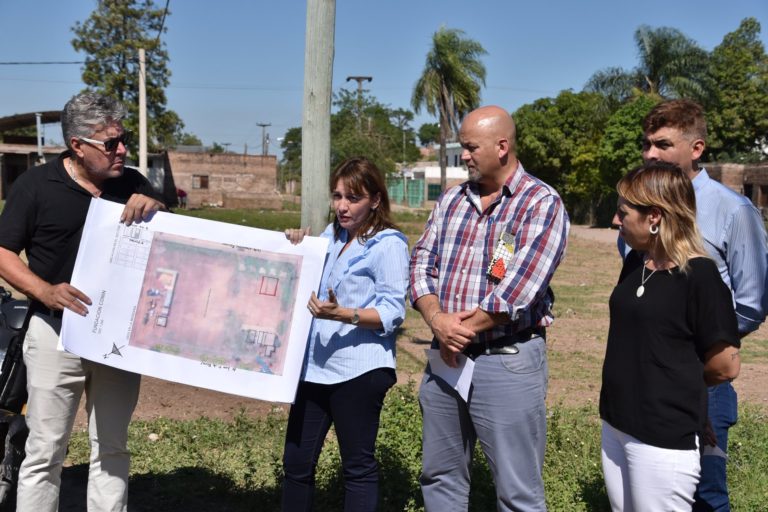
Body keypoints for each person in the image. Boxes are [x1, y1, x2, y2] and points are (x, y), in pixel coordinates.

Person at [0, 92, 165, 512]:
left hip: (116, 339)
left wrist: (156, 206)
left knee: (112, 448)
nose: (122, 150)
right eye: (110, 143)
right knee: (44, 450)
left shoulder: (132, 183)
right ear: (77, 145)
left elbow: (166, 245)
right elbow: (2, 252)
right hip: (54, 332)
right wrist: (44, 290)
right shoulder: (35, 185)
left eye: (122, 139)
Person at [410, 105, 569, 511]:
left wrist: (456, 329)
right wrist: (437, 320)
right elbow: (420, 264)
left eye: (469, 147)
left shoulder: (539, 203)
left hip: (506, 358)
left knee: (517, 491)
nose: (463, 155)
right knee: (440, 476)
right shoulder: (452, 201)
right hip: (446, 358)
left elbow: (519, 290)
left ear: (502, 146)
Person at [639, 99, 768, 511]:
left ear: (696, 149)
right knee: (651, 486)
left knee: (705, 495)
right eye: (646, 145)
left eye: (661, 145)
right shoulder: (642, 208)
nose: (649, 155)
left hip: (704, 381)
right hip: (647, 375)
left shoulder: (733, 210)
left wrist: (698, 346)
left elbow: (751, 302)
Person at [602, 161, 741, 511]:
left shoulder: (700, 276)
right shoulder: (636, 262)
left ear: (655, 217)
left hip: (663, 435)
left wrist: (677, 385)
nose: (616, 221)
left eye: (623, 212)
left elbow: (725, 366)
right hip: (618, 423)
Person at [281, 157, 409, 512]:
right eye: (337, 196)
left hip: (359, 370)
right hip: (314, 369)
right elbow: (306, 269)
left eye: (353, 198)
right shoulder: (331, 236)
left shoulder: (388, 245)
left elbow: (392, 312)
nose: (342, 206)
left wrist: (344, 315)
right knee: (296, 463)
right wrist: (296, 243)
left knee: (357, 467)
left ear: (376, 200)